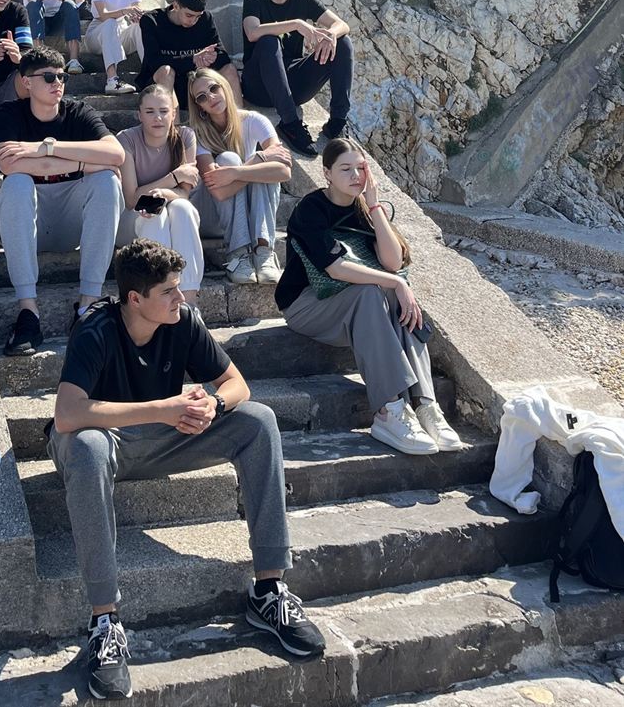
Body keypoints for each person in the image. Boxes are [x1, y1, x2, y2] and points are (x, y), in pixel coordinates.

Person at [49, 238, 325, 699]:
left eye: (179, 287)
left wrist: (213, 405)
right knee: (87, 447)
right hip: (102, 443)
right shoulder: (95, 329)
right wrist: (164, 408)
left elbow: (237, 385)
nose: (181, 297)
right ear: (135, 298)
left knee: (259, 421)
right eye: (169, 291)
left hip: (164, 439)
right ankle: (104, 621)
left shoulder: (184, 321)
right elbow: (67, 414)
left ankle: (268, 589)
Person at [277, 137, 463, 456]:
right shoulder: (311, 209)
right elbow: (336, 269)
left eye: (361, 168)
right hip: (307, 304)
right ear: (327, 173)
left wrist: (375, 206)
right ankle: (389, 410)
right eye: (345, 169)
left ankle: (425, 406)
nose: (355, 176)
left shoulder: (364, 209)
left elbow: (392, 262)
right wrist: (397, 283)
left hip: (357, 309)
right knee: (373, 291)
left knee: (397, 297)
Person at [0, 44, 124, 356]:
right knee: (17, 183)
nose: (58, 84)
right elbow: (8, 164)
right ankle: (28, 313)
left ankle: (88, 306)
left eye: (62, 77)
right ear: (27, 82)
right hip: (27, 224)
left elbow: (116, 154)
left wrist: (46, 149)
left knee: (107, 181)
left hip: (68, 223)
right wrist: (83, 162)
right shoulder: (10, 113)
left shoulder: (78, 112)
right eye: (49, 77)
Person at [241, 0, 354, 157]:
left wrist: (331, 35)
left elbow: (342, 25)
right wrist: (297, 24)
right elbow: (252, 32)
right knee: (268, 41)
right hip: (259, 87)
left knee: (343, 42)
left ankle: (337, 121)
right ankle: (290, 124)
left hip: (293, 85)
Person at [187, 68, 291, 287]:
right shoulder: (198, 133)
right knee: (230, 159)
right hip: (213, 216)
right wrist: (257, 163)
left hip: (249, 215)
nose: (211, 97)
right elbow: (218, 191)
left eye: (214, 88)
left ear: (224, 86)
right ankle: (238, 255)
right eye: (202, 97)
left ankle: (263, 251)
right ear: (199, 106)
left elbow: (284, 172)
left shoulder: (254, 120)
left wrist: (238, 171)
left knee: (260, 169)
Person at [116, 85, 203, 305]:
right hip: (131, 220)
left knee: (182, 208)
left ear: (173, 113)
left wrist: (163, 193)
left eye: (164, 111)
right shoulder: (126, 139)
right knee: (154, 214)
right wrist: (173, 177)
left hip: (171, 212)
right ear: (139, 115)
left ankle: (189, 302)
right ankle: (160, 298)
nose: (157, 117)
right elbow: (131, 199)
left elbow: (184, 193)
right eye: (150, 111)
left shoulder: (185, 136)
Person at [136, 0, 242, 111]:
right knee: (166, 71)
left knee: (229, 69)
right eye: (189, 15)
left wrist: (210, 57)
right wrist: (193, 59)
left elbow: (222, 55)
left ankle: (240, 119)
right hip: (164, 84)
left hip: (196, 85)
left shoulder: (206, 19)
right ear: (176, 5)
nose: (193, 21)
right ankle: (172, 123)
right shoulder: (151, 20)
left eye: (198, 16)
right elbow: (154, 62)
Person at [83, 0, 144, 95]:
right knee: (110, 22)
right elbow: (103, 15)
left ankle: (152, 74)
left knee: (140, 26)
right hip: (97, 33)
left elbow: (135, 11)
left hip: (121, 30)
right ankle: (112, 80)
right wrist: (124, 11)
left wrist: (137, 16)